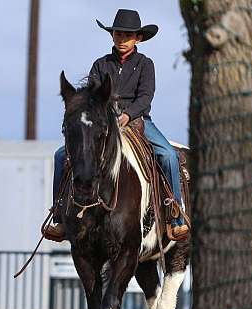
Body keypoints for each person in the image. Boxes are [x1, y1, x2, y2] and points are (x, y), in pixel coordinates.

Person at [45, 9, 189, 242]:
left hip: (138, 122)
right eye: (118, 34)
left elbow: (145, 97)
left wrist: (128, 116)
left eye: (127, 35)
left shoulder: (145, 64)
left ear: (138, 38)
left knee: (169, 155)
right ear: (112, 36)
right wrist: (107, 117)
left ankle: (174, 213)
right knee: (61, 156)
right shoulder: (101, 64)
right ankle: (60, 216)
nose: (122, 39)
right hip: (104, 124)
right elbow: (91, 97)